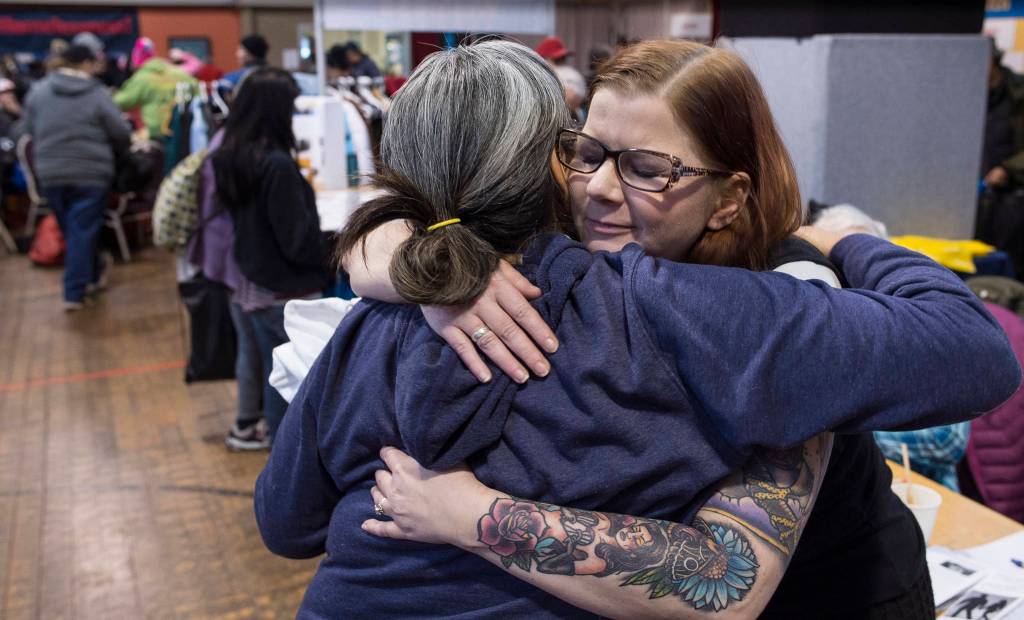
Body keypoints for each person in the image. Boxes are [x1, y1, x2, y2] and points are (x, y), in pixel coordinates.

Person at [255, 41, 1018, 619]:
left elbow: (726, 579)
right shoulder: (510, 276)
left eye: (650, 168)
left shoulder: (765, 294)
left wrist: (842, 237)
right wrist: (413, 262)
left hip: (835, 593)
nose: (598, 189)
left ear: (728, 197)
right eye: (585, 153)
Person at [206, 67, 331, 442]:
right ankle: (283, 452)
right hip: (283, 286)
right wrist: (337, 250)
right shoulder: (276, 165)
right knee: (288, 378)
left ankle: (268, 440)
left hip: (253, 279)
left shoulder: (234, 155)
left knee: (269, 366)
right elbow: (296, 240)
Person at [20, 44, 130, 310]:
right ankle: (74, 291)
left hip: (50, 172)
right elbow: (120, 133)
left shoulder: (39, 91)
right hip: (91, 172)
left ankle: (91, 275)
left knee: (74, 230)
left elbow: (28, 128)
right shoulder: (97, 93)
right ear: (87, 64)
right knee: (82, 229)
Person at [114, 37, 196, 139]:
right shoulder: (178, 73)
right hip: (185, 131)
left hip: (156, 133)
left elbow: (119, 102)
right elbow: (198, 91)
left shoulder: (141, 78)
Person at [536, 36, 587, 119]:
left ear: (547, 58)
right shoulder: (575, 74)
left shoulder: (546, 75)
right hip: (575, 119)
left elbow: (570, 97)